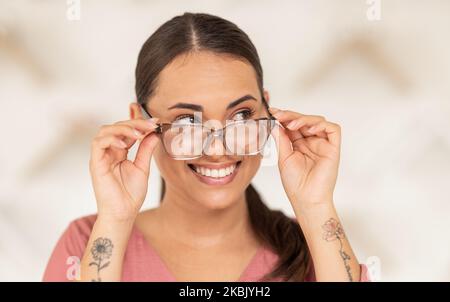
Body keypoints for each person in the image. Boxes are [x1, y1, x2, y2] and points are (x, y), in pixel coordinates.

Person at [43, 12, 369, 282]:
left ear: (266, 110)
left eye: (241, 115)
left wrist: (315, 206)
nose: (217, 150)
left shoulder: (314, 248)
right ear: (139, 121)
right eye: (186, 122)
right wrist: (114, 220)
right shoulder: (88, 240)